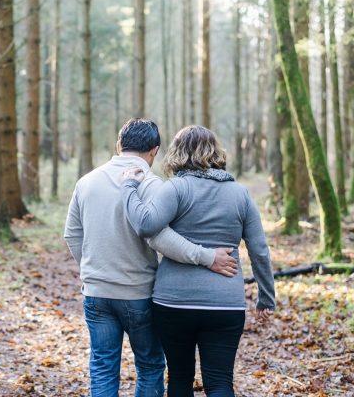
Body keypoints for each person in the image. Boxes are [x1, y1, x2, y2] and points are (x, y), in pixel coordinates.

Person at [64, 118, 239, 397]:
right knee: (149, 366)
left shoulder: (86, 182)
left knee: (102, 366)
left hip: (96, 292)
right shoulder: (152, 185)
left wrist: (95, 268)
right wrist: (207, 257)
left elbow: (72, 234)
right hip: (139, 294)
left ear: (119, 144)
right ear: (154, 151)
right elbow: (160, 239)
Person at [120, 125, 276, 397]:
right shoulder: (240, 194)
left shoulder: (176, 188)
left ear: (177, 153)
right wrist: (266, 296)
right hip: (225, 304)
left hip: (173, 303)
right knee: (220, 383)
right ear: (216, 151)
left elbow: (146, 225)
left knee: (180, 378)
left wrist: (129, 187)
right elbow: (259, 250)